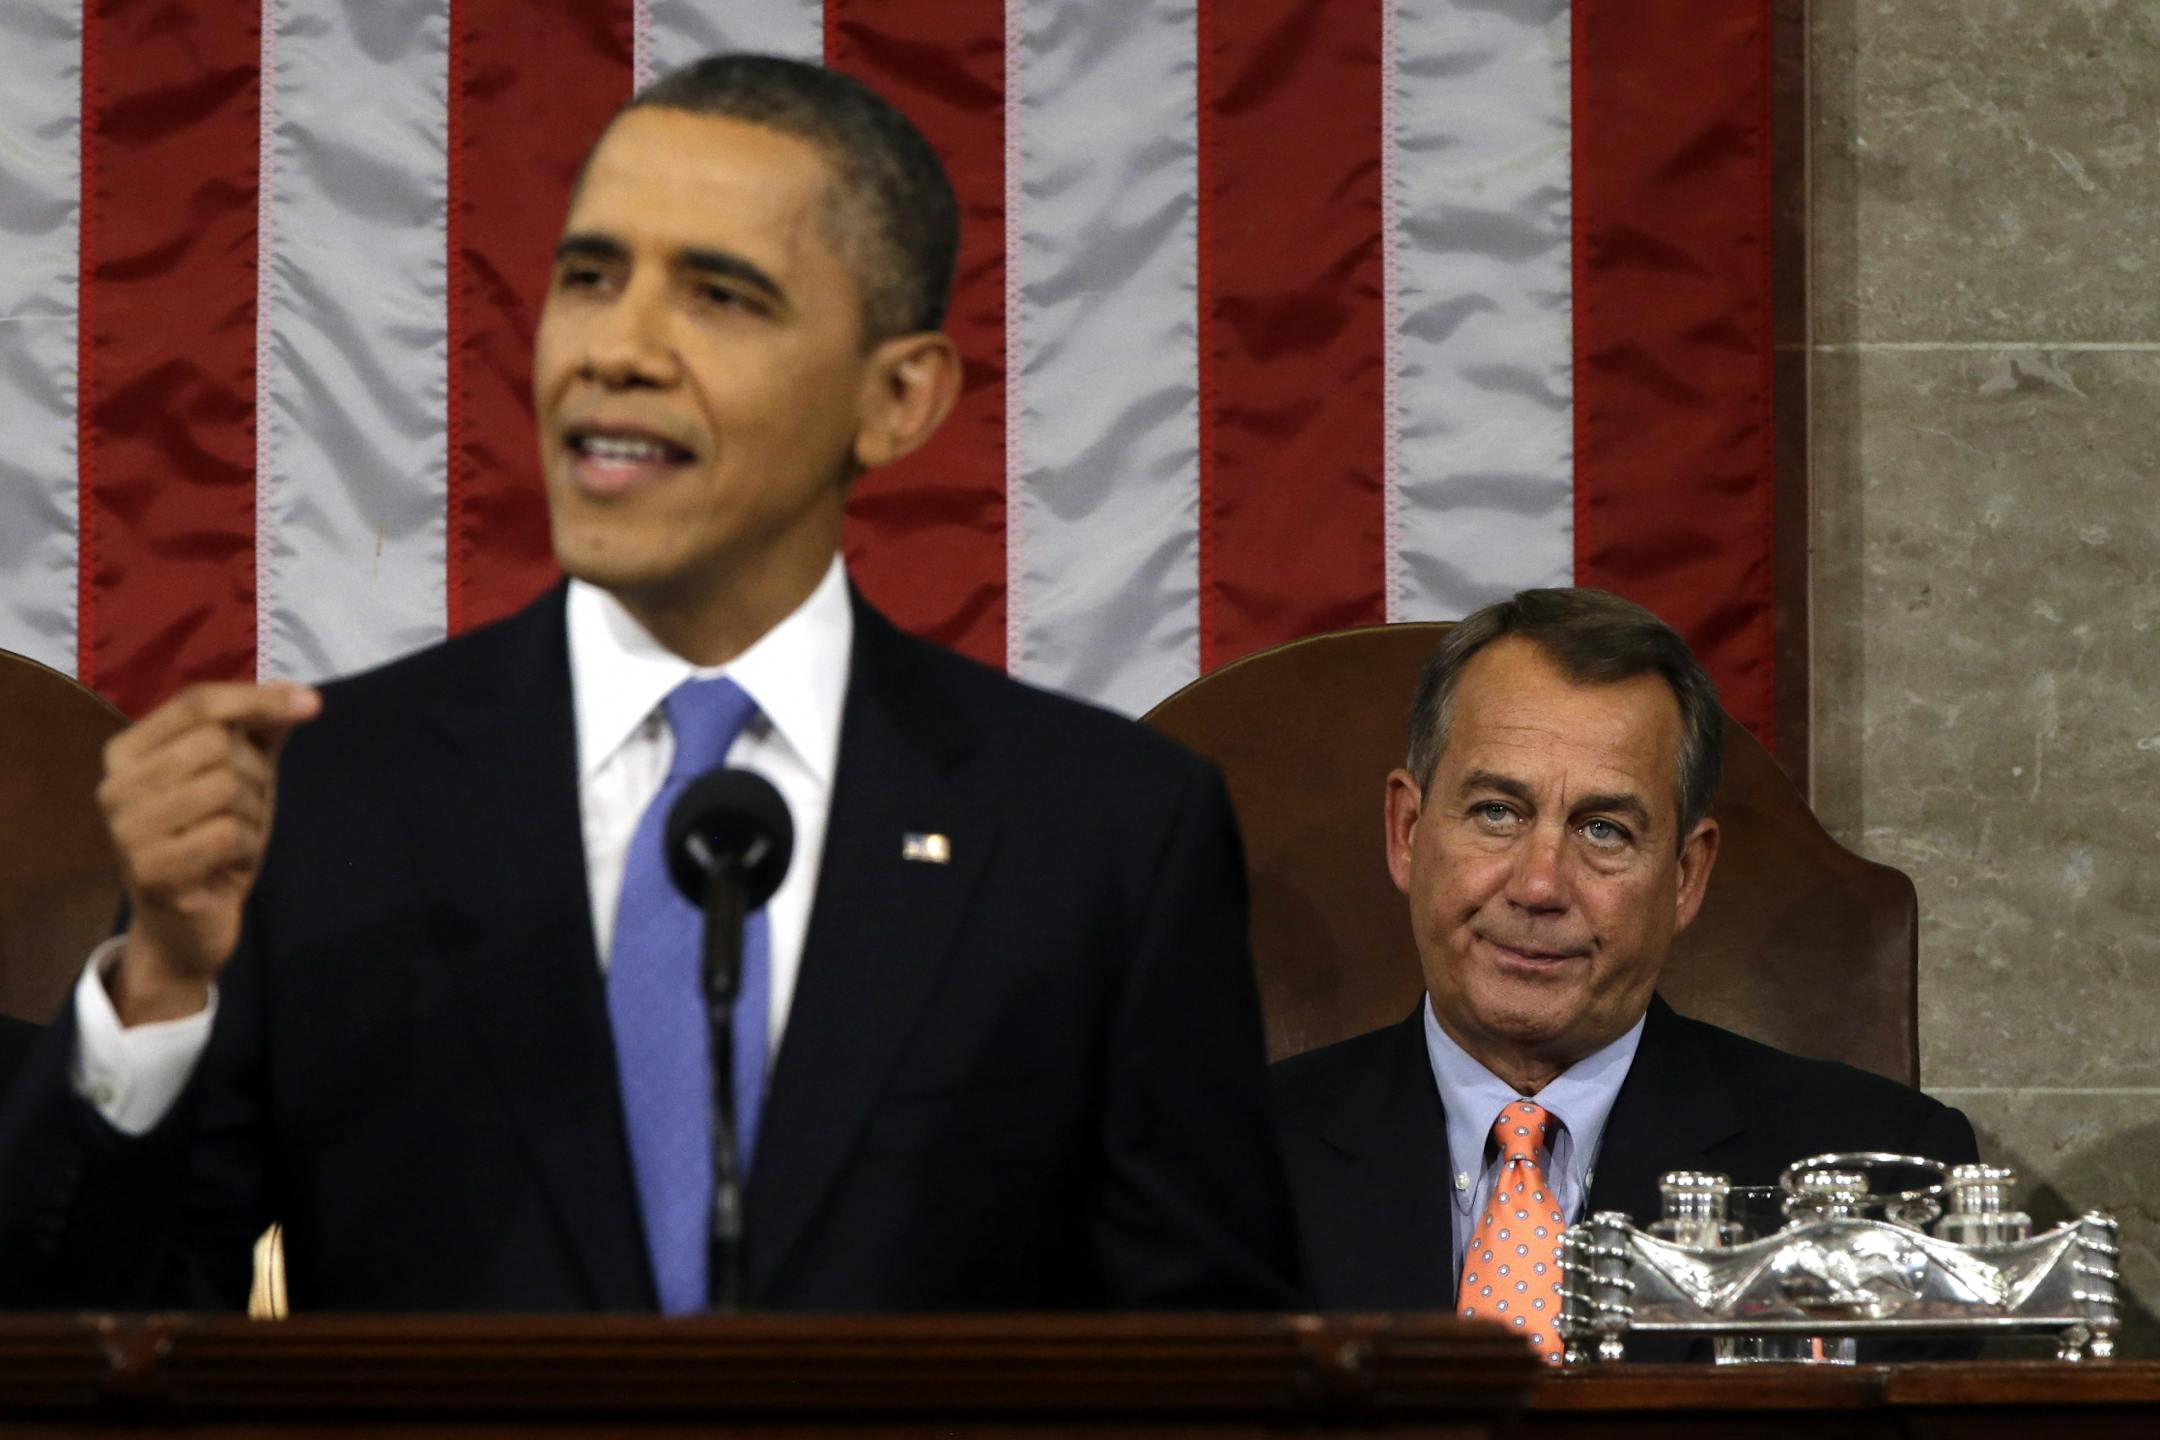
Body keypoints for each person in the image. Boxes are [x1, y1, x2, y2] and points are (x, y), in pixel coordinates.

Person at [0, 55, 1299, 1313]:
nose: (616, 348)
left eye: (720, 295)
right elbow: (92, 1353)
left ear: (897, 397)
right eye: (589, 278)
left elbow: (1216, 1373)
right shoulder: (324, 804)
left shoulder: (1104, 835)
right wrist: (158, 988)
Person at [1270, 588, 1976, 1353]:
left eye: (1604, 829)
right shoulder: (1222, 1165)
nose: (1540, 885)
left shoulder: (1890, 1177)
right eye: (1497, 812)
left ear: (1684, 877)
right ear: (1407, 833)